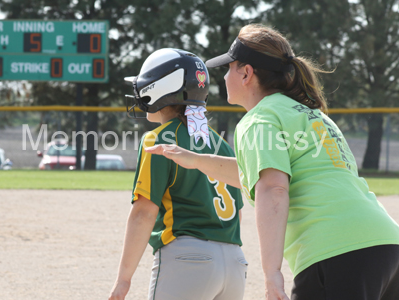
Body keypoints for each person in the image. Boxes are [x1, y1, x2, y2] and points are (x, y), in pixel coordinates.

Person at [146, 24, 399, 300]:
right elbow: (255, 172)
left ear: (246, 73)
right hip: (387, 244)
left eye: (229, 68)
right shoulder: (310, 114)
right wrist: (195, 160)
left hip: (337, 249)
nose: (224, 76)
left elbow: (273, 187)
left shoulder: (259, 118)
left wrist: (271, 272)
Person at [108, 48, 247, 300]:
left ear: (161, 88)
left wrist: (123, 279)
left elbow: (144, 212)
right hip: (235, 263)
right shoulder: (223, 146)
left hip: (188, 259)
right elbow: (236, 213)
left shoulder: (159, 140)